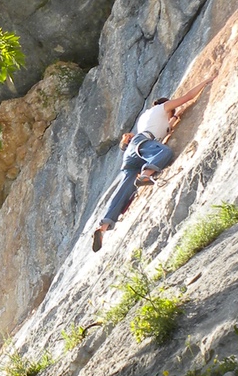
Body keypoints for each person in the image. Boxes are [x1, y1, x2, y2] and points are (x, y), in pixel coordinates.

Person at [91, 73, 215, 252]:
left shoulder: (149, 119)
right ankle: (146, 175)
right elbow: (187, 97)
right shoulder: (161, 108)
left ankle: (102, 227)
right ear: (165, 106)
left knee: (123, 192)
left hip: (134, 152)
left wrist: (175, 117)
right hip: (143, 144)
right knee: (164, 152)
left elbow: (169, 123)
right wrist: (205, 81)